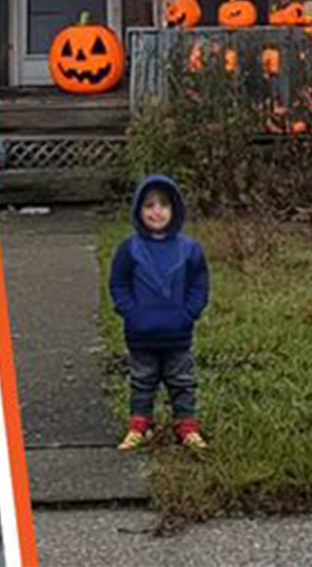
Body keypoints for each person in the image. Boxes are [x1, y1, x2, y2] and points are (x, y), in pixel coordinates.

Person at [109, 173, 210, 452]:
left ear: (174, 209)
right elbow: (118, 284)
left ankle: (186, 427)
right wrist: (131, 313)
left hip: (178, 333)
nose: (156, 211)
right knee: (142, 380)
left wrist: (189, 312)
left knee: (182, 381)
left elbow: (199, 284)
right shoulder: (129, 249)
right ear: (138, 210)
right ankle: (140, 426)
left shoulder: (189, 249)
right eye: (149, 205)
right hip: (141, 334)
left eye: (163, 204)